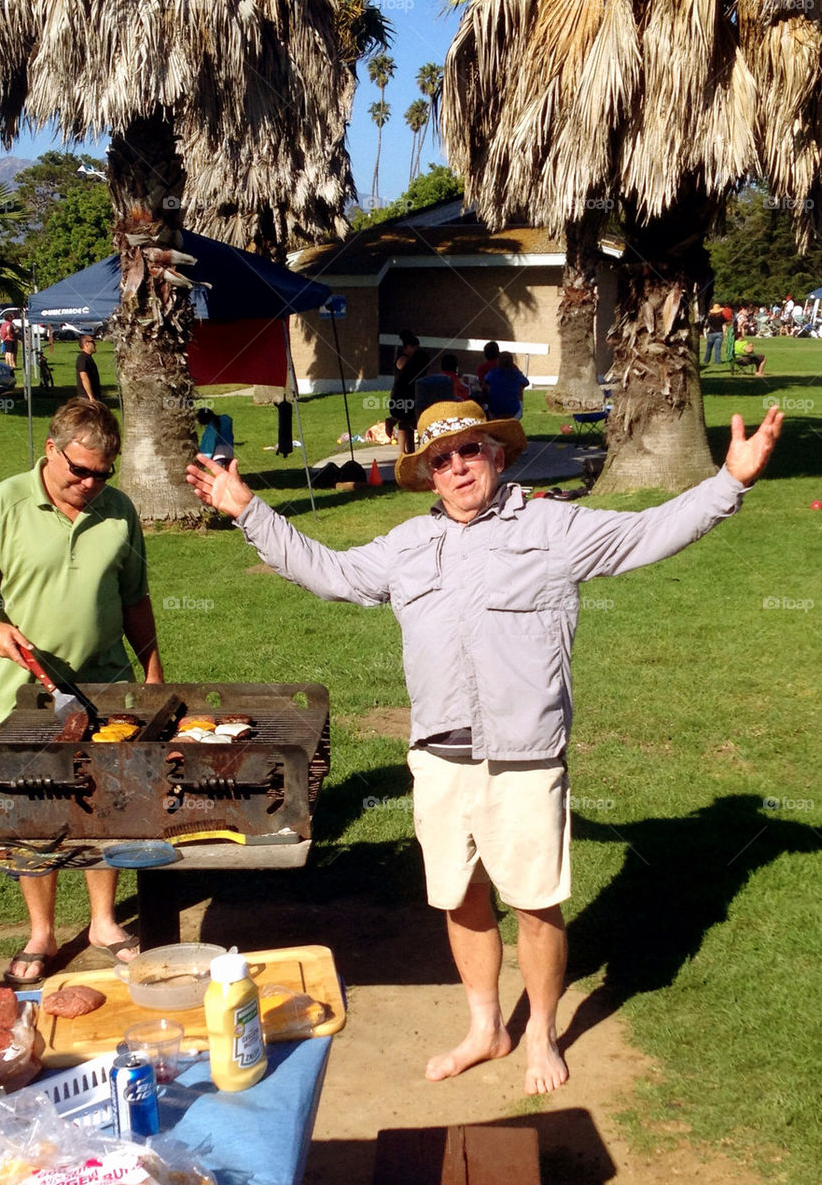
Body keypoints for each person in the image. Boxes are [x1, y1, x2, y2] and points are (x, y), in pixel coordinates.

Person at [185, 398, 782, 1095]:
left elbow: (646, 533)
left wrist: (728, 483)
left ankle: (540, 1033)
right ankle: (484, 1026)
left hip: (524, 757)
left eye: (470, 450)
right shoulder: (407, 545)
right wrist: (249, 510)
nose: (458, 466)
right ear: (426, 474)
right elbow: (333, 575)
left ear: (497, 455)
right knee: (460, 898)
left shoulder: (554, 527)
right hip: (438, 758)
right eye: (441, 458)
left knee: (533, 904)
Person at [0, 399, 164, 985]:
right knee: (33, 809)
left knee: (107, 807)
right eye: (80, 471)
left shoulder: (119, 512)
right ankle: (42, 932)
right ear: (50, 450)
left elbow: (134, 599)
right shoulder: (5, 503)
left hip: (108, 685)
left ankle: (103, 923)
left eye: (103, 473)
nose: (91, 484)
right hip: (29, 693)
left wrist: (151, 673)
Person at [387, 333, 431, 455]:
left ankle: (410, 451)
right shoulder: (403, 360)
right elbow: (406, 373)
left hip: (409, 394)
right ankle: (402, 451)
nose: (416, 350)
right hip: (401, 395)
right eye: (415, 347)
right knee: (404, 422)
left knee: (410, 423)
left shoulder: (415, 360)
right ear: (408, 347)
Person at [483, 351, 529, 420]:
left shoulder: (492, 373)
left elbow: (484, 384)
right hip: (514, 412)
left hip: (494, 412)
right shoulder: (516, 374)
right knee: (520, 387)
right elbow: (526, 383)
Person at [75, 333, 101, 401]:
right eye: (92, 342)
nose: (95, 344)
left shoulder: (87, 358)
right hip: (86, 398)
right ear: (86, 344)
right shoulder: (82, 358)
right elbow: (84, 377)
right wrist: (91, 397)